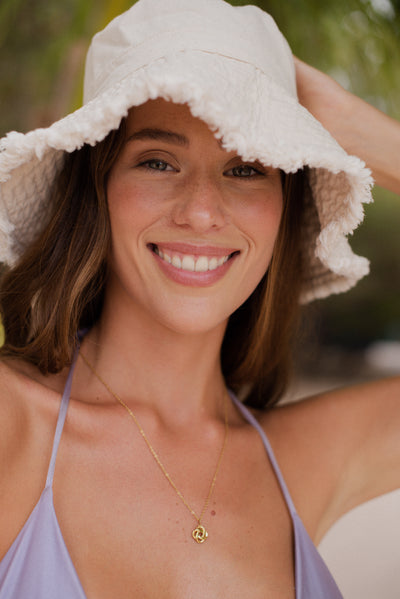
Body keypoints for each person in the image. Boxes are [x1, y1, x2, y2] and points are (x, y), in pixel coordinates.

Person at [0, 1, 399, 597]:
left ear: (284, 211)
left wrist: (352, 125)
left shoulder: (304, 458)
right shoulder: (12, 424)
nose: (202, 212)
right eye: (158, 161)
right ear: (98, 190)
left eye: (246, 170)